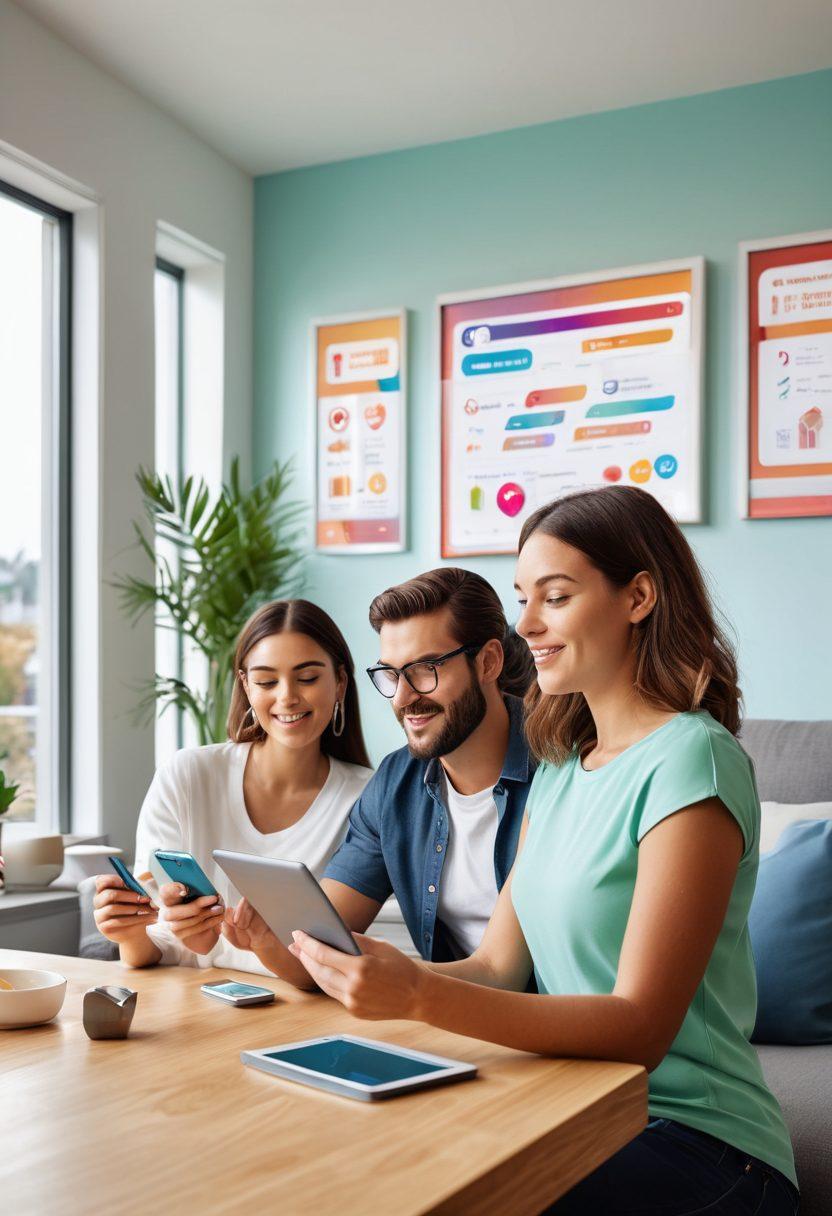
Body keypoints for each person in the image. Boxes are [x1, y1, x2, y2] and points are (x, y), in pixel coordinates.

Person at [284, 488, 799, 1215]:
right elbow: (499, 966)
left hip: (698, 1140)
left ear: (638, 597)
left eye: (553, 597)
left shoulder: (692, 762)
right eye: (524, 598)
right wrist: (389, 978)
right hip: (572, 1109)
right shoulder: (559, 766)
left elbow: (641, 1028)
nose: (526, 625)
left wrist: (423, 995)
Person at [223, 568, 537, 981]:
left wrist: (406, 981)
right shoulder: (396, 782)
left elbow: (506, 976)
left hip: (550, 1028)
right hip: (454, 1027)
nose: (404, 698)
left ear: (489, 662)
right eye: (391, 674)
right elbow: (316, 951)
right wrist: (263, 939)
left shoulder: (554, 770)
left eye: (426, 669)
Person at [92, 599, 373, 974]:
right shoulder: (187, 774)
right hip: (190, 1005)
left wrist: (260, 945)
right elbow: (157, 947)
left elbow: (333, 961)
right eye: (266, 681)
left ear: (340, 682)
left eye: (307, 678)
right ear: (245, 685)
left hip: (302, 1009)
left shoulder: (368, 799)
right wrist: (128, 933)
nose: (287, 696)